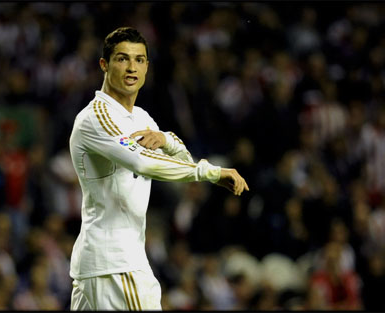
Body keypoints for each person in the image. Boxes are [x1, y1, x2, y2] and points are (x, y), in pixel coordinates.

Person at [68, 26, 249, 310]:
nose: (131, 68)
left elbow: (183, 160)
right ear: (104, 64)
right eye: (122, 59)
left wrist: (165, 138)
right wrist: (211, 172)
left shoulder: (140, 117)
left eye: (139, 60)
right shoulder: (96, 117)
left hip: (109, 263)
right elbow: (143, 161)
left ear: (147, 67)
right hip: (116, 263)